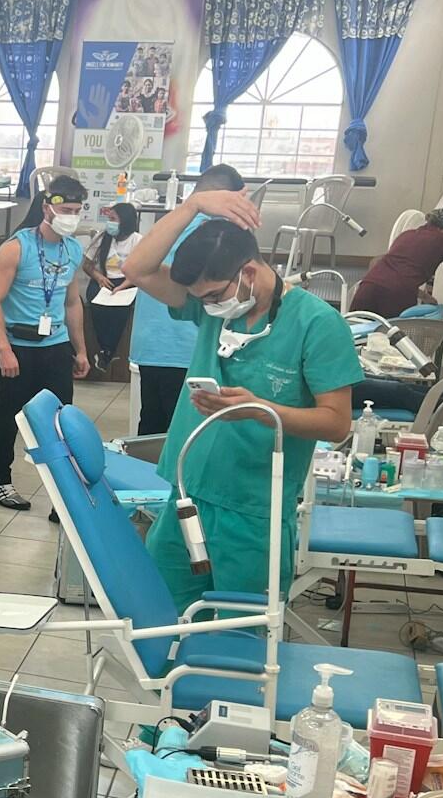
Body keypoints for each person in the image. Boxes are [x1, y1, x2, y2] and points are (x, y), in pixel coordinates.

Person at [121, 190, 360, 611]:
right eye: (201, 300)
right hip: (188, 495)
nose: (208, 307)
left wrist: (262, 412)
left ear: (248, 272)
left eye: (213, 296)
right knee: (162, 618)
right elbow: (137, 268)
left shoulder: (317, 325)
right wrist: (192, 206)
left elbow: (337, 423)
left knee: (240, 635)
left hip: (254, 512)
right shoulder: (212, 310)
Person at [0, 173, 91, 511]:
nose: (71, 216)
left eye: (77, 210)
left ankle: (63, 496)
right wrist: (3, 349)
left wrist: (81, 349)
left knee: (61, 422)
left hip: (55, 346)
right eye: (65, 209)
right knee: (10, 415)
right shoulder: (17, 247)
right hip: (18, 345)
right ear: (47, 208)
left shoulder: (73, 250)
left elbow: (72, 302)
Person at [130, 164, 246, 435]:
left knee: (151, 431)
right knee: (185, 434)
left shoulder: (168, 226)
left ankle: (144, 477)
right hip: (184, 349)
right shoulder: (215, 234)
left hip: (150, 348)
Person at [350, 208, 443, 319]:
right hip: (396, 296)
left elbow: (377, 263)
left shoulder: (407, 235)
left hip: (368, 287)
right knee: (391, 338)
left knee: (354, 334)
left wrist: (425, 296)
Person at [85, 202, 143, 375]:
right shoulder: (103, 237)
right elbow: (87, 265)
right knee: (96, 306)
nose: (109, 223)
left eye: (113, 219)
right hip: (103, 280)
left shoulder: (137, 240)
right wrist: (99, 277)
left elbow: (141, 271)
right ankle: (105, 349)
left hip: (127, 282)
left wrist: (123, 286)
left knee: (119, 311)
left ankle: (108, 350)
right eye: (108, 218)